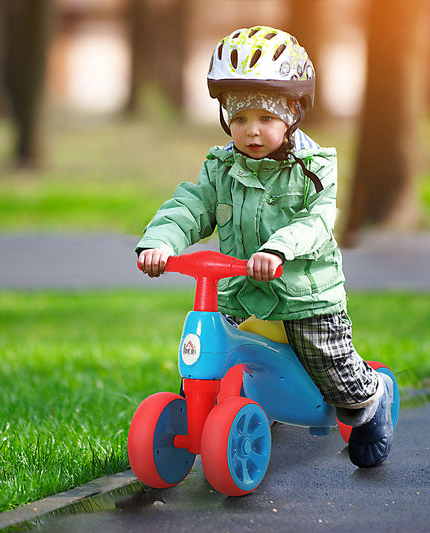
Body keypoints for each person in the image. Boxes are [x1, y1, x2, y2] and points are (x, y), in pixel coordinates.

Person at [136, 26, 394, 468]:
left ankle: (373, 398)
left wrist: (277, 250)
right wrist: (160, 241)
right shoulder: (220, 167)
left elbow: (317, 220)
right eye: (239, 119)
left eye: (266, 118)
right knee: (211, 359)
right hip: (239, 293)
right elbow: (190, 206)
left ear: (293, 113)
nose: (251, 131)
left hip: (303, 296)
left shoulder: (314, 168)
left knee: (334, 376)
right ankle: (202, 414)